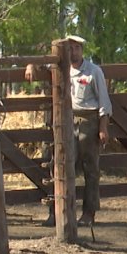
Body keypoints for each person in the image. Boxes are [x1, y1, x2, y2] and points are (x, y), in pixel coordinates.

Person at [44, 35, 113, 227]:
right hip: (65, 119)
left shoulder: (93, 71)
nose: (72, 52)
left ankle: (88, 214)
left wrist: (102, 127)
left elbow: (104, 102)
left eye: (76, 48)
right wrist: (31, 66)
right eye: (69, 48)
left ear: (82, 50)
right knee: (61, 164)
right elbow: (43, 66)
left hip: (87, 120)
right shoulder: (59, 67)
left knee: (90, 168)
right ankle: (58, 212)